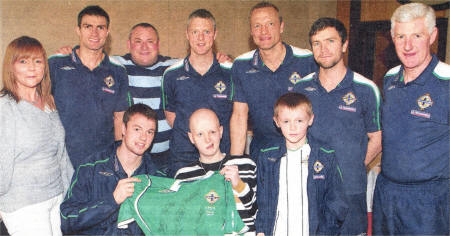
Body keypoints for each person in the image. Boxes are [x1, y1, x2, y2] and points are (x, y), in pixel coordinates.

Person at [295, 17, 382, 235]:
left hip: (350, 191)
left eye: (330, 41)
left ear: (344, 45)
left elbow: (377, 138)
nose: (323, 49)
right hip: (310, 189)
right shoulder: (301, 88)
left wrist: (352, 168)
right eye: (317, 43)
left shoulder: (366, 89)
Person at [373, 3, 449, 235]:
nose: (407, 45)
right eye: (400, 36)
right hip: (387, 194)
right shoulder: (389, 79)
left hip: (429, 200)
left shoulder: (446, 82)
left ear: (432, 35)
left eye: (417, 35)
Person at [0, 36, 74, 236]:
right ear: (11, 66)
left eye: (38, 61)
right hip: (23, 203)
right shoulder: (5, 107)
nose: (32, 68)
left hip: (55, 195)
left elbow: (60, 153)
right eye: (23, 61)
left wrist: (70, 191)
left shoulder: (49, 101)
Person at [230, 1, 317, 157]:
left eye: (270, 24)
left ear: (281, 26)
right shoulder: (241, 65)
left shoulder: (307, 60)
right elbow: (239, 116)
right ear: (251, 31)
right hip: (262, 152)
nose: (264, 31)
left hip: (303, 152)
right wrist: (235, 161)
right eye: (257, 26)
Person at [60, 103, 160, 235]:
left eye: (149, 132)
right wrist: (112, 201)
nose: (143, 137)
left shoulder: (156, 178)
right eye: (137, 129)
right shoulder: (91, 167)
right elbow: (67, 220)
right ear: (123, 129)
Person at [256, 93, 347, 235]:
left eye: (299, 121)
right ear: (276, 121)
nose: (293, 128)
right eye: (286, 121)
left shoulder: (325, 155)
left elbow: (336, 201)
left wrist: (326, 232)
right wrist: (261, 230)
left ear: (310, 120)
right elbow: (262, 199)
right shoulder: (267, 155)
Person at [49, 5, 129, 168]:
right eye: (88, 27)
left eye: (100, 27)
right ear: (78, 30)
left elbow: (120, 117)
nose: (94, 33)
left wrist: (118, 157)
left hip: (101, 160)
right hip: (61, 159)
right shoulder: (56, 64)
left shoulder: (118, 71)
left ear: (107, 32)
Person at [162, 9, 233, 176]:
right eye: (195, 32)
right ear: (187, 34)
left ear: (215, 34)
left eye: (206, 32)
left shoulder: (231, 73)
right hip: (183, 158)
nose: (200, 38)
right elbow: (171, 116)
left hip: (222, 158)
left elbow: (237, 116)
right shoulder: (171, 74)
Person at [175, 108, 257, 233]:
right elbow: (182, 222)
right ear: (191, 138)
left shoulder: (245, 165)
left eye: (212, 132)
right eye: (200, 134)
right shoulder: (183, 176)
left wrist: (238, 184)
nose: (208, 139)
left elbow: (256, 212)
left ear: (221, 131)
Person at [113, 23, 179, 171]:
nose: (144, 47)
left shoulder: (173, 67)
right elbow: (88, 56)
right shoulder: (116, 65)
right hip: (131, 160)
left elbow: (200, 62)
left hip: (167, 158)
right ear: (129, 44)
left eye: (150, 42)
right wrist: (69, 52)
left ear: (158, 45)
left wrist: (220, 58)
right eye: (138, 41)